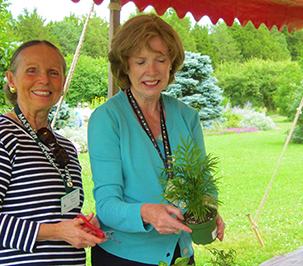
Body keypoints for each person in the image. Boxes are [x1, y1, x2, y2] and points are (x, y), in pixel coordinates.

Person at [87, 14, 226, 265]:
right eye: (141, 61)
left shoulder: (187, 116)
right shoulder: (107, 119)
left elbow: (204, 182)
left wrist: (208, 209)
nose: (151, 71)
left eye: (160, 60)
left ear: (171, 64)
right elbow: (106, 205)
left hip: (180, 253)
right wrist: (147, 213)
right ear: (125, 65)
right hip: (124, 256)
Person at [0, 40, 106, 266]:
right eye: (32, 71)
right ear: (11, 80)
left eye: (53, 72)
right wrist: (58, 231)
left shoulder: (65, 146)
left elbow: (53, 213)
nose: (44, 80)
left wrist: (81, 226)